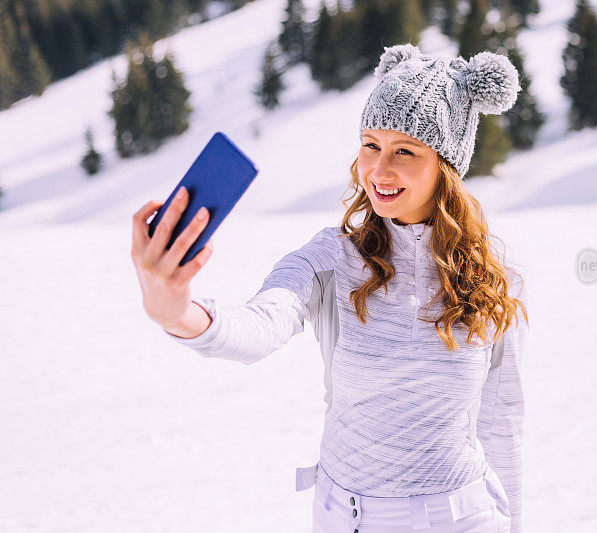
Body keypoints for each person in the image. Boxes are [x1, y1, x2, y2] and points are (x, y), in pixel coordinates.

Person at [131, 43, 530, 533]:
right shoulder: (332, 259)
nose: (379, 170)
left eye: (405, 150)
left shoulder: (494, 280)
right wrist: (178, 313)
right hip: (347, 518)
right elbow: (261, 324)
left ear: (446, 166)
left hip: (459, 519)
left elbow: (502, 421)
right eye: (370, 144)